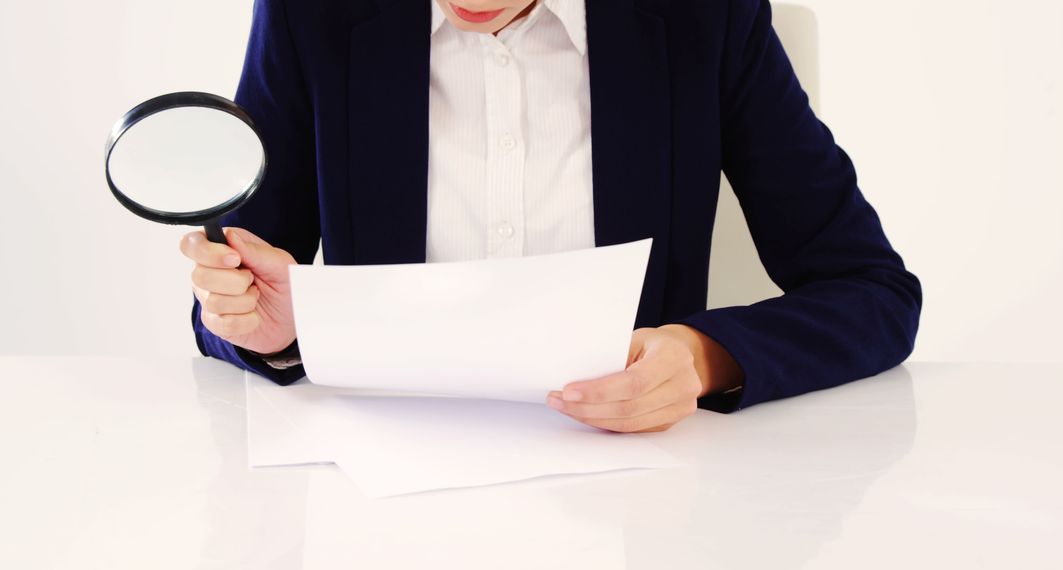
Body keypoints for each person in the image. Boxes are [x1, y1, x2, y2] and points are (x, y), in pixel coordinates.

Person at [180, 0, 922, 433]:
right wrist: (279, 333)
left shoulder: (702, 16)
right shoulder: (314, 16)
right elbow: (232, 296)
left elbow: (873, 293)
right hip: (380, 497)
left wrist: (704, 357)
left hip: (646, 498)